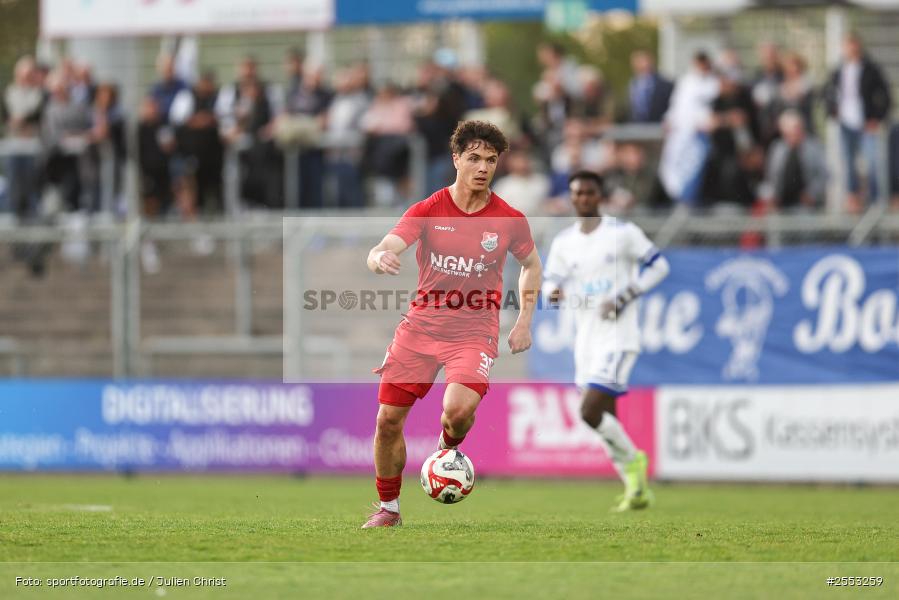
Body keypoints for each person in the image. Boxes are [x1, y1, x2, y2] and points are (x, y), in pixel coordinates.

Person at [362, 120, 542, 528]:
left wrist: (524, 321)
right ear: (456, 159)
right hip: (421, 329)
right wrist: (378, 258)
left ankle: (447, 448)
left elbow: (531, 265)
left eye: (491, 160)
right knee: (387, 421)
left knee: (457, 411)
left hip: (474, 332)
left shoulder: (509, 219)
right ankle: (388, 509)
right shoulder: (428, 210)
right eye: (474, 158)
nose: (483, 167)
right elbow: (387, 245)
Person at [542, 171, 670, 512]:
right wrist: (551, 293)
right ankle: (636, 489)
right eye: (577, 193)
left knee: (589, 411)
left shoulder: (622, 233)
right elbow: (549, 281)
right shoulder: (564, 242)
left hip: (618, 336)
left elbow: (659, 266)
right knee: (605, 417)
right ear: (571, 198)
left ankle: (634, 461)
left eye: (589, 193)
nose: (583, 198)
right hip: (585, 338)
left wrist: (626, 295)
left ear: (600, 196)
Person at [826, 32, 892, 213]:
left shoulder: (871, 69)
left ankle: (875, 201)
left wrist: (877, 119)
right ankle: (853, 202)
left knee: (872, 164)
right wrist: (833, 111)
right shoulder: (838, 70)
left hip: (865, 124)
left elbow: (885, 95)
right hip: (846, 125)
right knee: (848, 165)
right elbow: (829, 94)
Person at [762, 110, 828, 212]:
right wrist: (771, 196)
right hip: (781, 205)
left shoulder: (814, 147)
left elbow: (825, 175)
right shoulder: (777, 149)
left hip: (806, 207)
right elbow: (770, 177)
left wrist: (811, 194)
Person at [628, 50, 673, 124]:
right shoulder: (632, 85)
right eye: (639, 62)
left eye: (645, 61)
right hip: (636, 130)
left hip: (659, 129)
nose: (644, 65)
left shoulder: (666, 85)